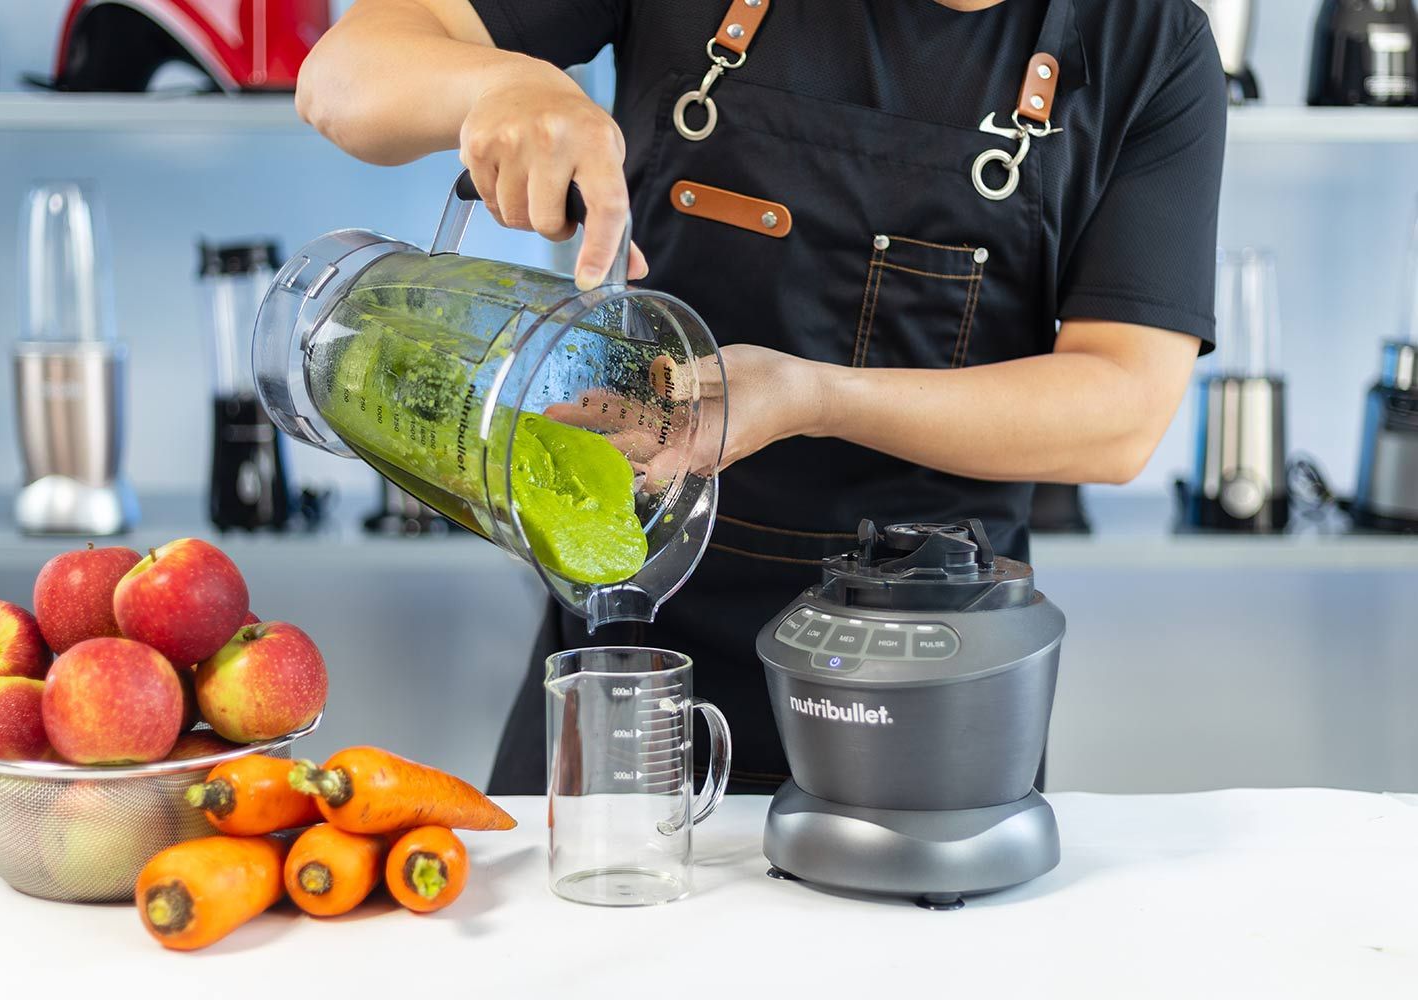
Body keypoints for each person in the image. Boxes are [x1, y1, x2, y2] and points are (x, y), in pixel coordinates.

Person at [297, 0, 1228, 794]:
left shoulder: (1149, 44)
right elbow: (341, 76)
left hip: (929, 679)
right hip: (633, 625)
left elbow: (1120, 412)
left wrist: (812, 396)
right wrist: (496, 87)